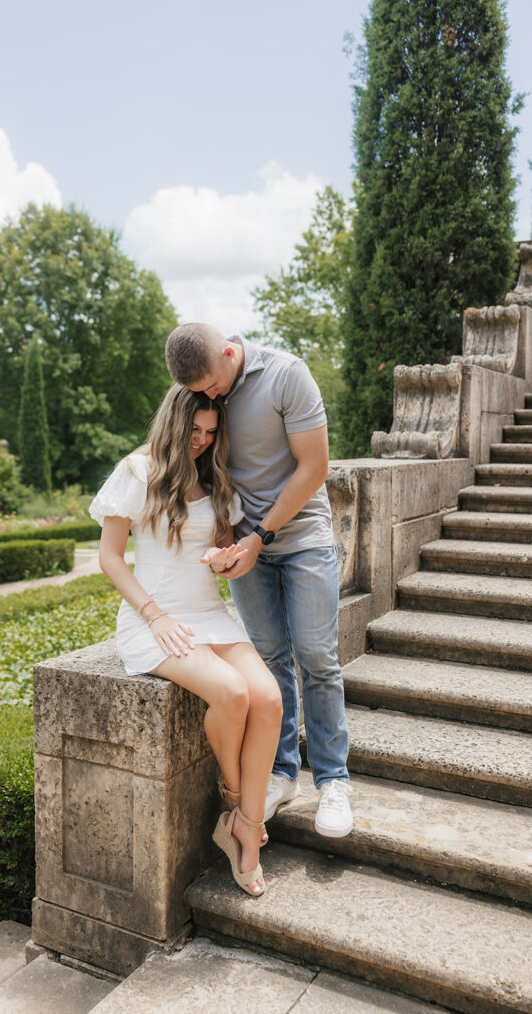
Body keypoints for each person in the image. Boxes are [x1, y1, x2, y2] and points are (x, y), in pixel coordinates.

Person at [89, 384, 283, 896]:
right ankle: (239, 810)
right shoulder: (137, 472)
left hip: (209, 614)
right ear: (174, 423)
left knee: (269, 698)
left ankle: (245, 826)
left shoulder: (214, 478)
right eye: (194, 430)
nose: (201, 440)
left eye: (211, 432)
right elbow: (109, 557)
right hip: (154, 621)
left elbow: (221, 551)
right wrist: (153, 616)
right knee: (233, 693)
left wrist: (224, 560)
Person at [165, 323, 352, 838]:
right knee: (269, 660)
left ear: (231, 351)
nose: (209, 396)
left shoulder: (288, 375)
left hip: (303, 540)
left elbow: (315, 467)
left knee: (317, 657)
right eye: (199, 391)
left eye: (211, 385)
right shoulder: (208, 390)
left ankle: (333, 781)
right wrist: (227, 543)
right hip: (245, 549)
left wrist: (259, 537)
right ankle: (283, 774)